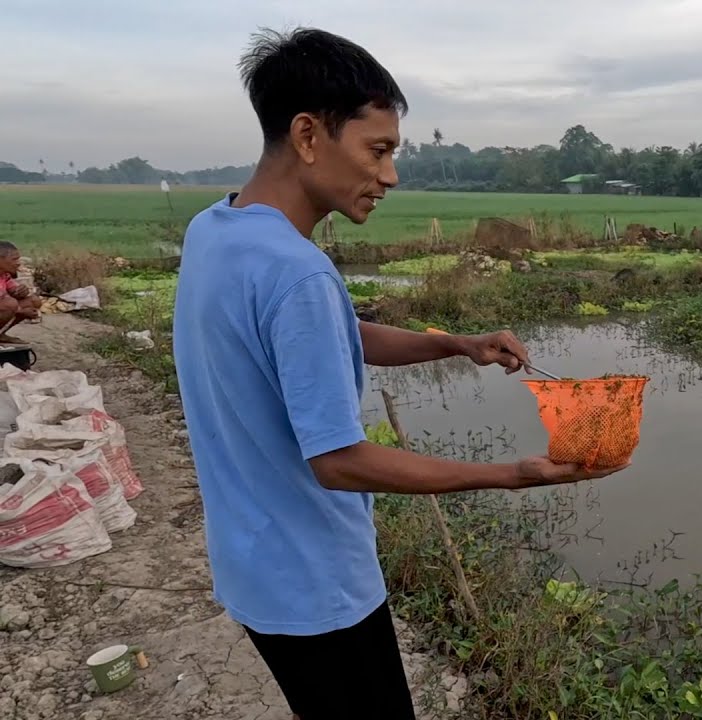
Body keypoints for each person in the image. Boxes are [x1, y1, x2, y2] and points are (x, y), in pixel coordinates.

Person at [172, 27, 628, 720]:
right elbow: (340, 462)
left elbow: (331, 338)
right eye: (378, 151)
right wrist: (512, 475)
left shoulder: (218, 230)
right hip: (316, 582)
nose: (389, 176)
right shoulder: (298, 273)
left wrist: (456, 344)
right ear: (307, 135)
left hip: (252, 564)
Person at [0, 242, 41, 343]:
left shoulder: (4, 275)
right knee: (10, 304)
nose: (18, 263)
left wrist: (21, 291)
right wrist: (20, 311)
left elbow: (13, 289)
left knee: (33, 301)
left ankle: (1, 334)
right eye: (14, 259)